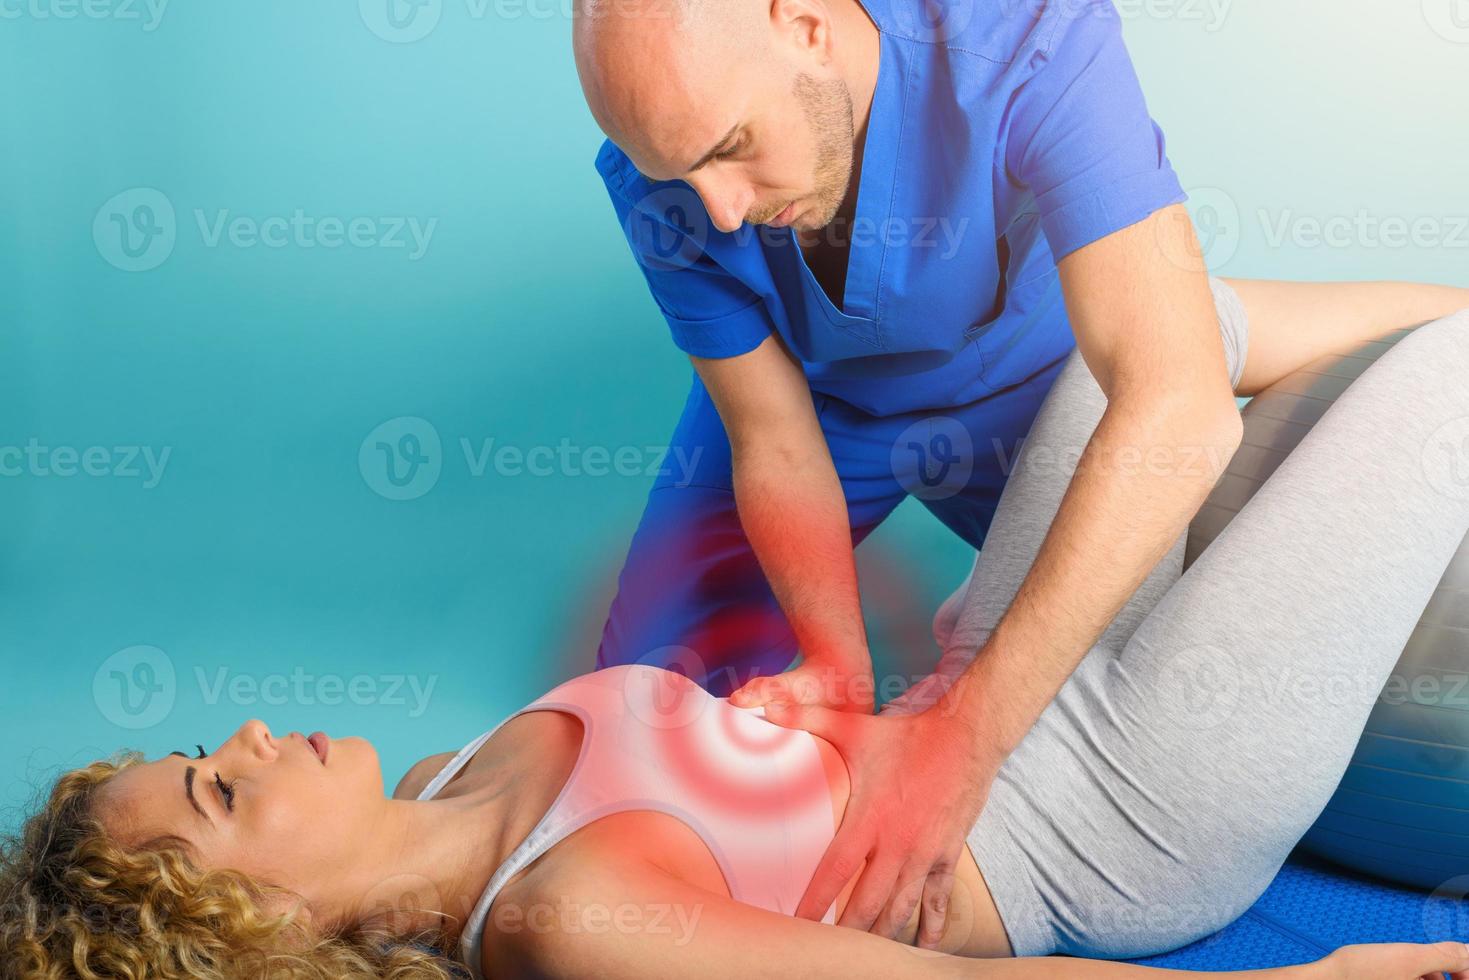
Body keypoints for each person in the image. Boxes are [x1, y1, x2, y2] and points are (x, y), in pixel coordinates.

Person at [7, 305, 1469, 980]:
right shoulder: (563, 921)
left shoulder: (457, 774)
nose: (246, 738)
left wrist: (782, 721)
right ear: (254, 932)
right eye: (219, 790)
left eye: (202, 751)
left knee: (1151, 330)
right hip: (1105, 816)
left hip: (983, 690)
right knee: (1443, 393)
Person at [573, 0, 1469, 940]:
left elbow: (1176, 396)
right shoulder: (661, 169)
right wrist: (834, 661)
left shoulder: (1030, 36)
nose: (718, 211)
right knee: (630, 714)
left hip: (1025, 376)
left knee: (1172, 358)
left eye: (731, 147)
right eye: (677, 172)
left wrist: (961, 734)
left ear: (803, 24)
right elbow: (773, 439)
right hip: (819, 403)